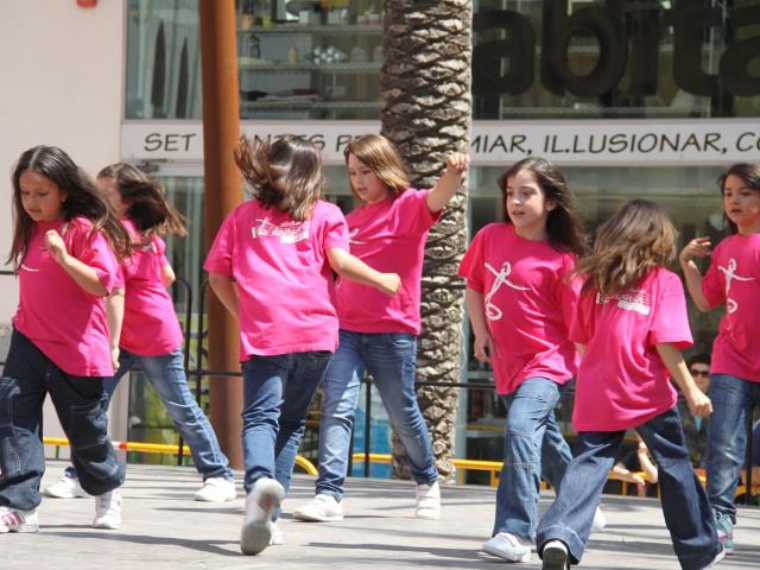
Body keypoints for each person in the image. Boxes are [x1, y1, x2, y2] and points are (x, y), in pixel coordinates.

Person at [204, 135, 400, 555]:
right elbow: (340, 263)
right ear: (313, 176)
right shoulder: (327, 214)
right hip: (316, 336)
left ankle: (259, 489)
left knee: (260, 418)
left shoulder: (242, 217)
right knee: (290, 422)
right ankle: (270, 518)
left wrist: (245, 315)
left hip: (267, 335)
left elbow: (218, 278)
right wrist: (383, 280)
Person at [536, 199, 723, 570]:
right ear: (658, 240)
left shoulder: (593, 281)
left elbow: (581, 340)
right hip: (645, 389)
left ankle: (559, 534)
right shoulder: (664, 282)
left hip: (597, 388)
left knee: (588, 463)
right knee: (673, 463)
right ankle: (699, 550)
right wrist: (692, 390)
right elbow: (666, 344)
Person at [292, 134, 468, 524]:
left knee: (402, 411)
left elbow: (438, 197)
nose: (357, 180)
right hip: (347, 330)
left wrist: (453, 172)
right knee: (337, 406)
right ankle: (329, 495)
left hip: (393, 331)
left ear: (384, 168)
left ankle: (427, 482)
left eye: (366, 171)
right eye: (353, 172)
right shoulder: (347, 221)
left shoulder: (408, 207)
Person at [42, 162, 236, 506]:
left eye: (105, 193)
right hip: (131, 332)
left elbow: (110, 285)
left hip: (146, 337)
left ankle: (219, 475)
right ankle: (81, 475)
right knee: (95, 407)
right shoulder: (142, 235)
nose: (97, 197)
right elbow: (169, 276)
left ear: (126, 201)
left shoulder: (121, 234)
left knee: (175, 407)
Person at [458, 157, 587, 563]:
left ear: (551, 202)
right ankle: (578, 502)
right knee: (541, 438)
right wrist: (480, 331)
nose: (515, 201)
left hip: (549, 363)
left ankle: (514, 533)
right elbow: (475, 284)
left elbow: (580, 323)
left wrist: (594, 369)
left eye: (526, 193)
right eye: (510, 192)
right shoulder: (490, 236)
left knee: (519, 427)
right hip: (506, 362)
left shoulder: (564, 258)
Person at [0, 145, 131, 532]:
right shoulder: (29, 229)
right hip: (28, 342)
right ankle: (20, 506)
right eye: (25, 193)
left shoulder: (82, 231)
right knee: (13, 418)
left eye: (42, 193)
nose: (32, 202)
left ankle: (108, 487)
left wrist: (65, 257)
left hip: (76, 350)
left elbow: (102, 285)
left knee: (86, 435)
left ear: (64, 192)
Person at [680, 162, 760, 556]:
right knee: (724, 441)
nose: (734, 200)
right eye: (729, 193)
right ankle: (720, 520)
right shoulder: (726, 248)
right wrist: (687, 264)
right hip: (731, 359)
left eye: (745, 192)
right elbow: (706, 300)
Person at [678, 353, 712, 469]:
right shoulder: (673, 404)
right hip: (680, 470)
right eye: (694, 373)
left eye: (705, 374)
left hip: (711, 474)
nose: (699, 377)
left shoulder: (722, 408)